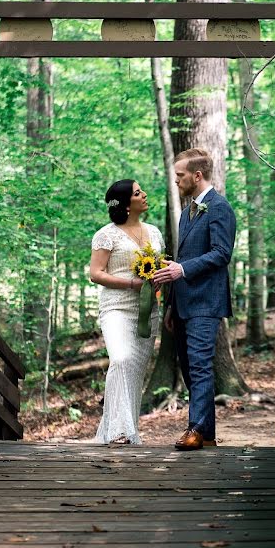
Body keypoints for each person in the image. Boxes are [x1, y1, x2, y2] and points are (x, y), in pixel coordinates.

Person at [152, 148, 237, 451]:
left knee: (200, 366)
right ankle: (209, 434)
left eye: (180, 175)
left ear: (197, 176)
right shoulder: (189, 212)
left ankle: (195, 430)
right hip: (184, 304)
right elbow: (181, 260)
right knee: (189, 368)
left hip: (206, 302)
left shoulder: (219, 208)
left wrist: (182, 269)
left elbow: (221, 253)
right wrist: (172, 305)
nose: (176, 181)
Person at [89, 179, 164, 444]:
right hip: (117, 307)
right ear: (125, 204)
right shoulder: (106, 234)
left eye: (142, 190)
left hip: (148, 310)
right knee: (120, 359)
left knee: (134, 370)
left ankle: (127, 432)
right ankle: (119, 432)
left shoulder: (154, 233)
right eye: (137, 192)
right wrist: (132, 283)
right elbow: (95, 274)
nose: (144, 194)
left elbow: (159, 267)